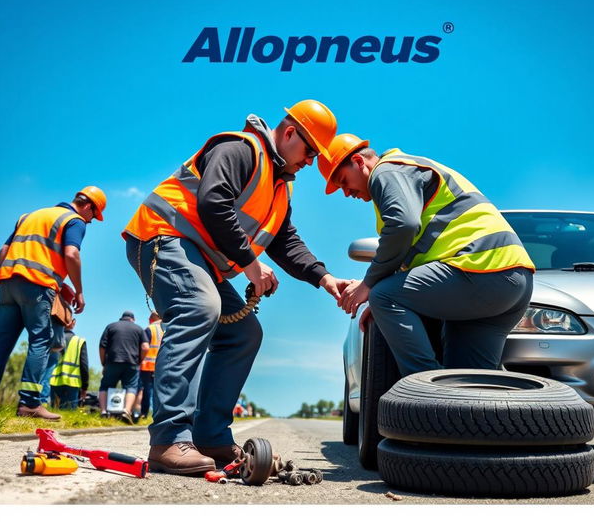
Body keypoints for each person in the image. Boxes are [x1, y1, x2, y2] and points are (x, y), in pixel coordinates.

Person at [123, 100, 350, 475]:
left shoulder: (278, 189)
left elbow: (284, 241)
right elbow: (213, 203)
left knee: (243, 332)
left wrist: (325, 278)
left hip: (201, 259)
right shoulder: (241, 149)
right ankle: (168, 440)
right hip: (163, 237)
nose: (310, 162)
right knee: (199, 307)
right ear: (290, 133)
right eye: (310, 151)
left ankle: (210, 435)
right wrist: (251, 265)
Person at [318, 134, 535, 376]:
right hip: (514, 281)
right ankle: (449, 407)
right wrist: (390, 294)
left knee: (383, 296)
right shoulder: (409, 169)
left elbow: (403, 225)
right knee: (468, 385)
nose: (346, 193)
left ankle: (424, 391)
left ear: (359, 161)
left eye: (343, 181)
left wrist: (373, 287)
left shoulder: (386, 171)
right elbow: (414, 246)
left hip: (477, 269)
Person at [0, 186, 106, 419]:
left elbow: (5, 249)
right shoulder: (74, 220)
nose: (90, 222)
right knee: (41, 340)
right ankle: (29, 403)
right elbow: (71, 254)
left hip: (8, 283)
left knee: (1, 342)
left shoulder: (29, 216)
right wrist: (79, 291)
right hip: (37, 286)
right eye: (93, 217)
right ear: (88, 206)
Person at [98, 311, 148, 423]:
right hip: (132, 363)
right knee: (131, 387)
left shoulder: (111, 326)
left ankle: (104, 412)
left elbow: (102, 346)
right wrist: (139, 360)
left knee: (105, 386)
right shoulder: (138, 329)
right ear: (133, 319)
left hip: (112, 361)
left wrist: (103, 362)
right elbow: (145, 347)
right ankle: (126, 411)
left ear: (122, 318)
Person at [49, 318, 89, 408]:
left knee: (54, 413)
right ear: (73, 323)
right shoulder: (79, 341)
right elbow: (84, 365)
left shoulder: (54, 339)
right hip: (72, 383)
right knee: (69, 414)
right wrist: (85, 386)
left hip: (55, 381)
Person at [133, 311, 163, 419]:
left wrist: (138, 360)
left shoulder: (150, 329)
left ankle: (144, 414)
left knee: (147, 391)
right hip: (161, 366)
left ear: (151, 319)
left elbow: (144, 347)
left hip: (147, 365)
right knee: (158, 391)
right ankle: (157, 414)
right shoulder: (165, 329)